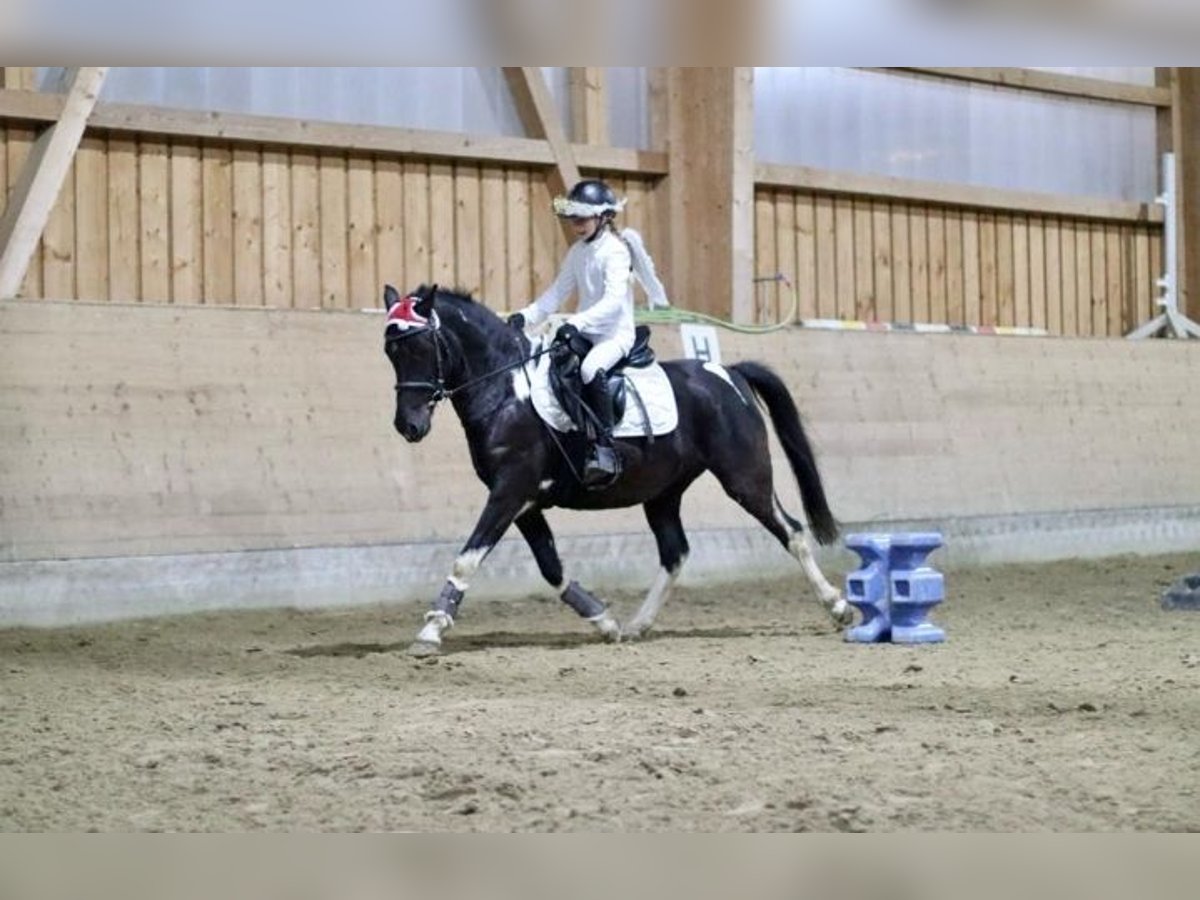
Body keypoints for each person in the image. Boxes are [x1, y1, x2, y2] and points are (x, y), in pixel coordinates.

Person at [508, 178, 670, 489]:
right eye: (572, 218)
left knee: (589, 368)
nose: (575, 225)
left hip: (614, 335)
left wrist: (577, 323)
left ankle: (605, 448)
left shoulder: (616, 252)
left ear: (603, 217)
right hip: (586, 331)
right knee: (552, 363)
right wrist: (526, 316)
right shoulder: (577, 253)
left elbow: (612, 302)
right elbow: (556, 293)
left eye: (581, 219)